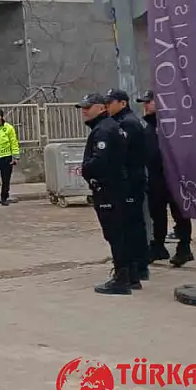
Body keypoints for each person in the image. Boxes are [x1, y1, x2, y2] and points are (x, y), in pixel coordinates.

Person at [77, 93, 137, 295]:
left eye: (88, 107)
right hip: (116, 187)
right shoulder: (108, 126)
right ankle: (129, 275)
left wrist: (86, 169)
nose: (84, 111)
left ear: (101, 108)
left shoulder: (104, 130)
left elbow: (100, 161)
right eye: (83, 108)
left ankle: (122, 278)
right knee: (121, 233)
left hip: (109, 189)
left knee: (115, 233)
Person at [136, 91, 194, 267]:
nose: (145, 105)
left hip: (175, 177)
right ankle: (158, 246)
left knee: (180, 214)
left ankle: (184, 247)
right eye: (144, 103)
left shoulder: (173, 125)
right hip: (155, 178)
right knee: (157, 214)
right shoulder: (147, 127)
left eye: (149, 102)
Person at [105, 88, 151, 282]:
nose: (108, 106)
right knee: (131, 224)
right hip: (130, 179)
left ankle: (138, 266)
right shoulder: (121, 122)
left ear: (122, 103)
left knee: (132, 225)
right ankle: (135, 265)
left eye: (111, 102)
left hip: (131, 181)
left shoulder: (128, 123)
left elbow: (126, 156)